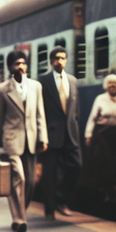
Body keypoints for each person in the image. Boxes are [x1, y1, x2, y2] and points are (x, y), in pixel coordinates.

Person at [0, 51, 48, 232]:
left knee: (29, 182)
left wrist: (43, 137)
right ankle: (19, 218)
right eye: (16, 64)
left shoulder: (36, 87)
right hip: (11, 141)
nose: (20, 66)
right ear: (10, 68)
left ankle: (21, 211)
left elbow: (40, 113)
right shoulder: (1, 90)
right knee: (18, 178)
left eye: (23, 63)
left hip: (31, 140)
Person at [38, 46, 81, 221]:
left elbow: (75, 109)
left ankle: (61, 199)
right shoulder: (43, 82)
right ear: (51, 61)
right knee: (49, 174)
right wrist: (41, 136)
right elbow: (38, 109)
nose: (60, 61)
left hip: (70, 133)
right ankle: (49, 209)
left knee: (77, 166)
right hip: (51, 134)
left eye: (63, 58)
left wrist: (76, 126)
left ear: (66, 60)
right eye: (56, 58)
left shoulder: (73, 81)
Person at [84, 74, 116, 201]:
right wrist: (88, 135)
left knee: (112, 162)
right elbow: (92, 118)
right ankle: (115, 189)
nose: (112, 85)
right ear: (106, 85)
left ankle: (107, 192)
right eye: (110, 83)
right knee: (106, 162)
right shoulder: (100, 99)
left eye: (115, 83)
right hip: (101, 134)